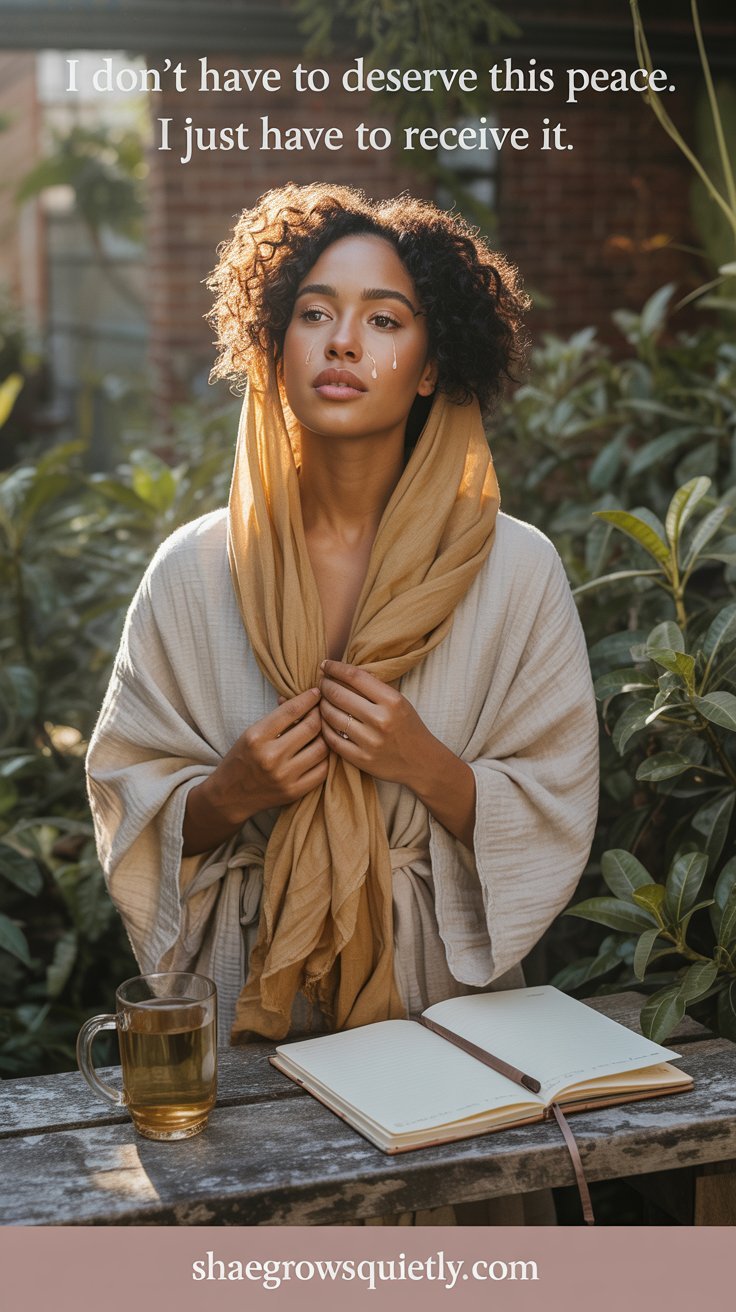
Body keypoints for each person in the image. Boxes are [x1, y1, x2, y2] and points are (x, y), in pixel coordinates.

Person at [86, 183, 599, 1222]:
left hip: (446, 1024)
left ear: (429, 363)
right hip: (250, 1022)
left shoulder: (516, 572)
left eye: (384, 318)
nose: (342, 341)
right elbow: (123, 794)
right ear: (272, 347)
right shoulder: (193, 571)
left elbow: (559, 801)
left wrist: (431, 766)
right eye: (314, 312)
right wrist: (226, 792)